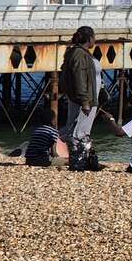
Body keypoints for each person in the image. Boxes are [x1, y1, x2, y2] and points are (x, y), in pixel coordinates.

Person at [58, 26, 102, 171]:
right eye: (94, 37)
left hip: (87, 98)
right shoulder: (79, 54)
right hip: (85, 100)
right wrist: (85, 101)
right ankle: (78, 163)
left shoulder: (79, 52)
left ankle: (84, 160)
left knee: (81, 130)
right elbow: (79, 78)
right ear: (89, 38)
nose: (95, 40)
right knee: (79, 132)